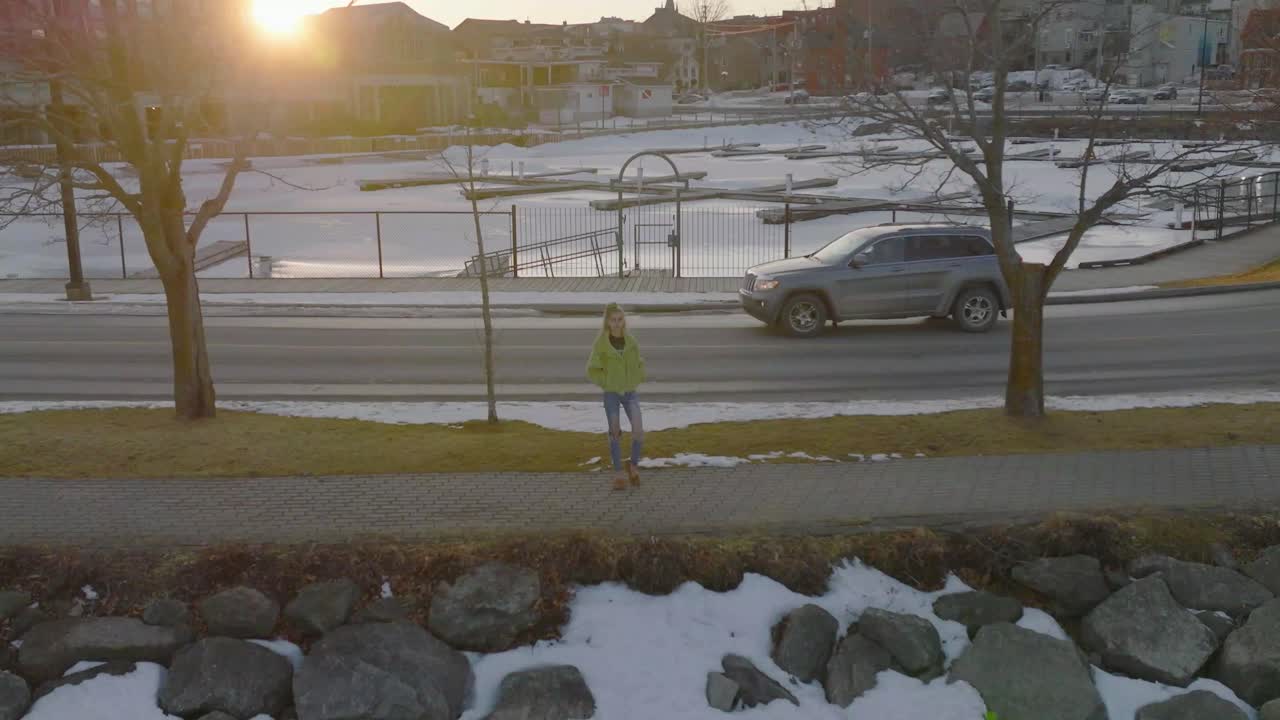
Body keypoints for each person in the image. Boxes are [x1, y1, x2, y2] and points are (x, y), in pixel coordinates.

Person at [586, 303, 646, 491]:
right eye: (613, 320)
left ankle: (633, 466)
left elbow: (639, 363)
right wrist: (606, 382)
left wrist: (637, 377)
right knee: (614, 431)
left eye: (620, 320)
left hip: (629, 392)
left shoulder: (631, 342)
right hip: (611, 393)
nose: (617, 324)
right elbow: (592, 369)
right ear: (607, 322)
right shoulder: (601, 344)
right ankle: (619, 473)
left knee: (638, 429)